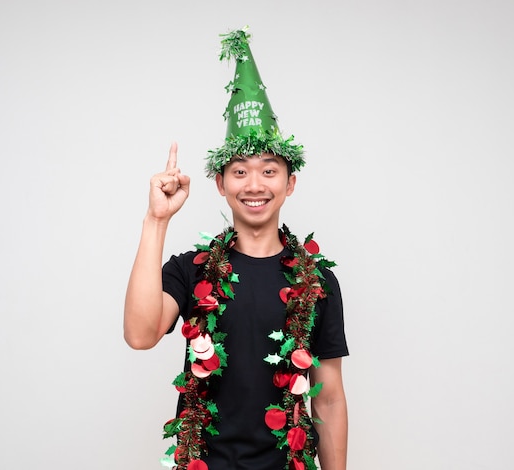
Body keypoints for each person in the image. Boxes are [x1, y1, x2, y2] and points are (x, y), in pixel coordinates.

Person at [124, 29, 348, 470]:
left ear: (290, 183)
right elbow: (139, 335)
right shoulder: (190, 271)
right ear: (221, 184)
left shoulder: (317, 282)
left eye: (269, 170)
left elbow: (331, 399)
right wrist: (156, 221)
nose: (255, 184)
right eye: (240, 171)